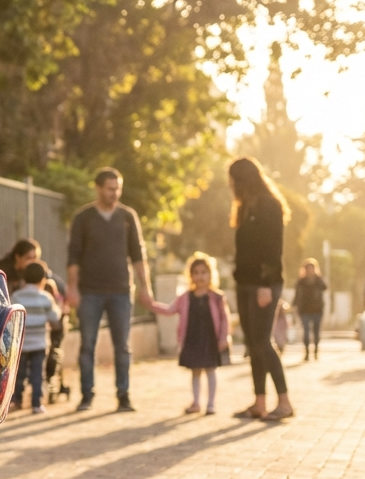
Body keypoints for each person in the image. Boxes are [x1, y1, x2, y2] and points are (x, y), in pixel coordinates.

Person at [66, 167, 153, 412]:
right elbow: (73, 256)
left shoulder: (127, 216)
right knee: (87, 345)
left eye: (118, 189)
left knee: (122, 346)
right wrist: (72, 288)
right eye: (110, 189)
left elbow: (138, 254)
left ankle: (123, 396)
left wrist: (145, 288)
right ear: (99, 188)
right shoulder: (83, 218)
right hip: (89, 291)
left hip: (121, 291)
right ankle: (87, 396)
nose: (115, 193)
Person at [229, 157, 294, 421]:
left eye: (234, 179)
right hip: (244, 282)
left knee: (262, 342)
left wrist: (267, 285)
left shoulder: (269, 205)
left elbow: (273, 247)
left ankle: (285, 402)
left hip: (263, 284)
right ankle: (259, 402)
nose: (231, 185)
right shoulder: (245, 206)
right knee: (252, 344)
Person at [149, 253, 231, 415]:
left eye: (203, 272)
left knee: (210, 370)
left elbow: (224, 319)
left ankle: (211, 404)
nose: (200, 276)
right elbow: (169, 310)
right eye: (196, 272)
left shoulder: (217, 297)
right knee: (195, 371)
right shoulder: (185, 297)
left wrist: (224, 337)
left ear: (210, 274)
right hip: (192, 339)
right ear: (191, 275)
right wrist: (151, 305)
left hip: (210, 339)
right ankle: (195, 402)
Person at [10, 262, 62, 415]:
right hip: (39, 344)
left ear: (24, 278)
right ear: (43, 280)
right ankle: (36, 404)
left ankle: (16, 399)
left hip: (21, 344)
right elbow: (54, 317)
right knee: (37, 374)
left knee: (18, 373)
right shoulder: (46, 297)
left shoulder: (17, 296)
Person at [294, 259, 327, 361]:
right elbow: (297, 295)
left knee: (316, 332)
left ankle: (316, 351)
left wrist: (319, 278)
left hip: (317, 309)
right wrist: (295, 306)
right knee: (306, 332)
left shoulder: (318, 280)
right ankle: (307, 352)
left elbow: (325, 287)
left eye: (311, 268)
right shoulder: (301, 281)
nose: (309, 270)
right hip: (304, 310)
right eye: (307, 268)